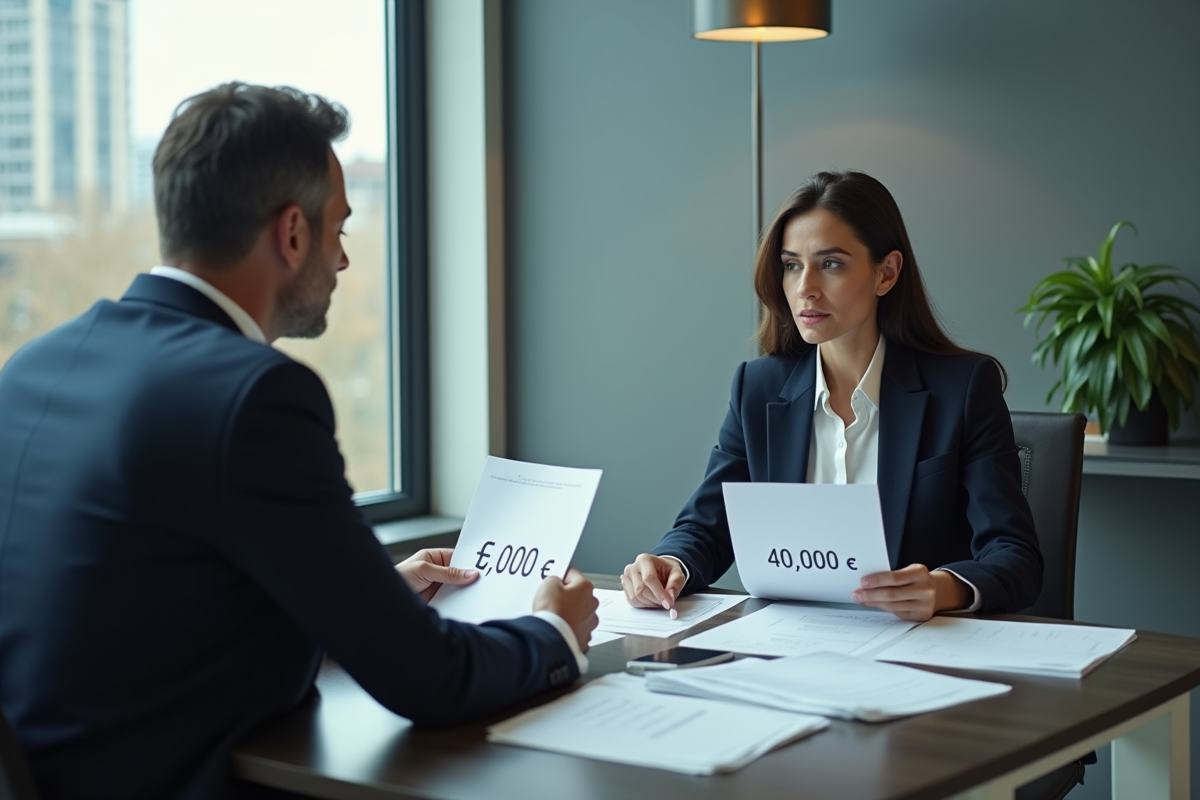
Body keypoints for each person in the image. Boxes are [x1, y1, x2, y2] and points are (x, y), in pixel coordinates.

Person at [0, 83, 598, 800]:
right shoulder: (253, 395)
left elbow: (141, 601)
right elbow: (431, 681)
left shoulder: (34, 365)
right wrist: (554, 632)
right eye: (338, 229)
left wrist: (364, 594)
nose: (342, 260)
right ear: (291, 233)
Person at [621, 170, 1043, 622]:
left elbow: (1015, 555)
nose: (805, 288)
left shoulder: (963, 388)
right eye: (792, 265)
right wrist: (670, 563)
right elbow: (706, 526)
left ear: (886, 273)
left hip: (914, 646)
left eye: (831, 264)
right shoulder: (758, 388)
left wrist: (943, 588)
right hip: (785, 643)